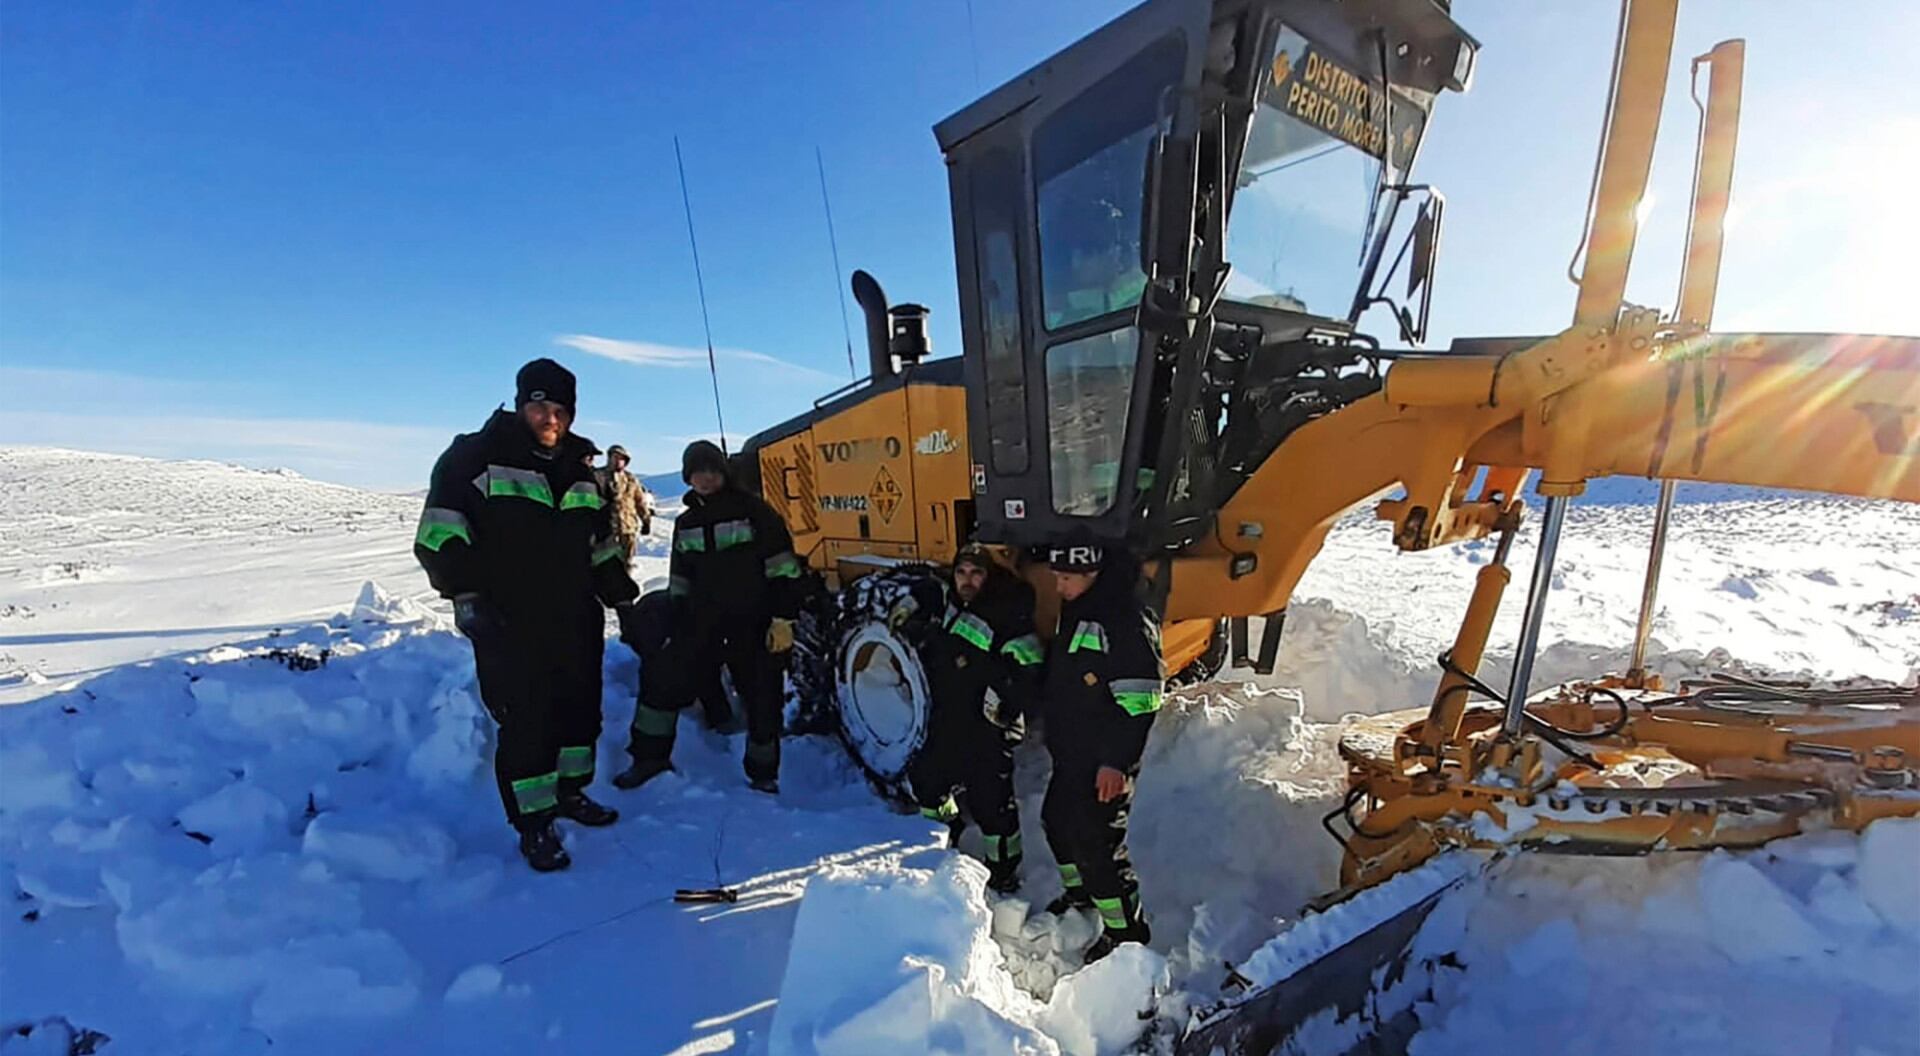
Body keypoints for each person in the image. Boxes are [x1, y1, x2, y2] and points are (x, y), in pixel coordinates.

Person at [413, 358, 639, 872]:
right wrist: (466, 595)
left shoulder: (581, 469)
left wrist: (623, 597)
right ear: (521, 405)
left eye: (561, 409)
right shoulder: (474, 457)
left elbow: (600, 545)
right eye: (540, 405)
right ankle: (535, 822)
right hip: (508, 620)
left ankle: (571, 794)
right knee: (528, 721)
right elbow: (439, 534)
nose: (551, 418)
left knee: (580, 711)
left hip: (575, 617)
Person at [615, 440, 802, 793]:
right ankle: (649, 758)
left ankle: (763, 775)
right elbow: (680, 576)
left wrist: (783, 618)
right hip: (701, 623)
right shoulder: (686, 522)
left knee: (762, 697)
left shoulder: (756, 511)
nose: (705, 478)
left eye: (712, 470)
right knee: (663, 680)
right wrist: (673, 618)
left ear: (723, 473)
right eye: (697, 472)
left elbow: (784, 568)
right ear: (688, 478)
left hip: (754, 621)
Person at [1038, 537, 1163, 963]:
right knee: (1056, 822)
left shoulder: (1124, 620)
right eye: (1056, 576)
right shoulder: (1079, 610)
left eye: (1066, 578)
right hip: (1072, 756)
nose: (1059, 586)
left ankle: (1125, 935)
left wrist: (1117, 763)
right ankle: (1080, 898)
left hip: (1103, 764)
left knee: (1098, 848)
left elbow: (1141, 701)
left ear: (1092, 574)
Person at [890, 544, 1040, 893]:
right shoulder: (952, 599)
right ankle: (946, 837)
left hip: (990, 725)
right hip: (950, 718)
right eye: (962, 573)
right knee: (927, 781)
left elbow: (1029, 668)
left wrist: (1003, 695)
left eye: (976, 573)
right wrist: (911, 604)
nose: (967, 581)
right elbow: (932, 585)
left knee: (993, 807)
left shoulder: (1007, 612)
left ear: (989, 577)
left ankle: (1003, 874)